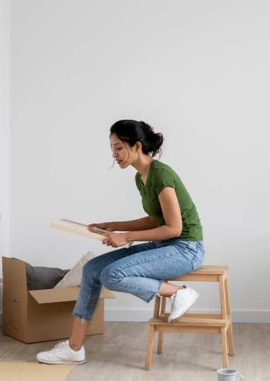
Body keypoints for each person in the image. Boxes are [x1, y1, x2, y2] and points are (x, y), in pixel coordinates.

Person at [36, 119, 205, 365]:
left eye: (118, 148)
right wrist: (115, 226)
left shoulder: (162, 175)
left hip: (185, 249)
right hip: (166, 246)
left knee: (112, 274)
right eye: (112, 149)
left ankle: (178, 293)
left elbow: (174, 228)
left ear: (136, 146)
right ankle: (74, 348)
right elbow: (153, 220)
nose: (114, 155)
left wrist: (125, 237)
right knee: (92, 269)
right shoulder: (141, 177)